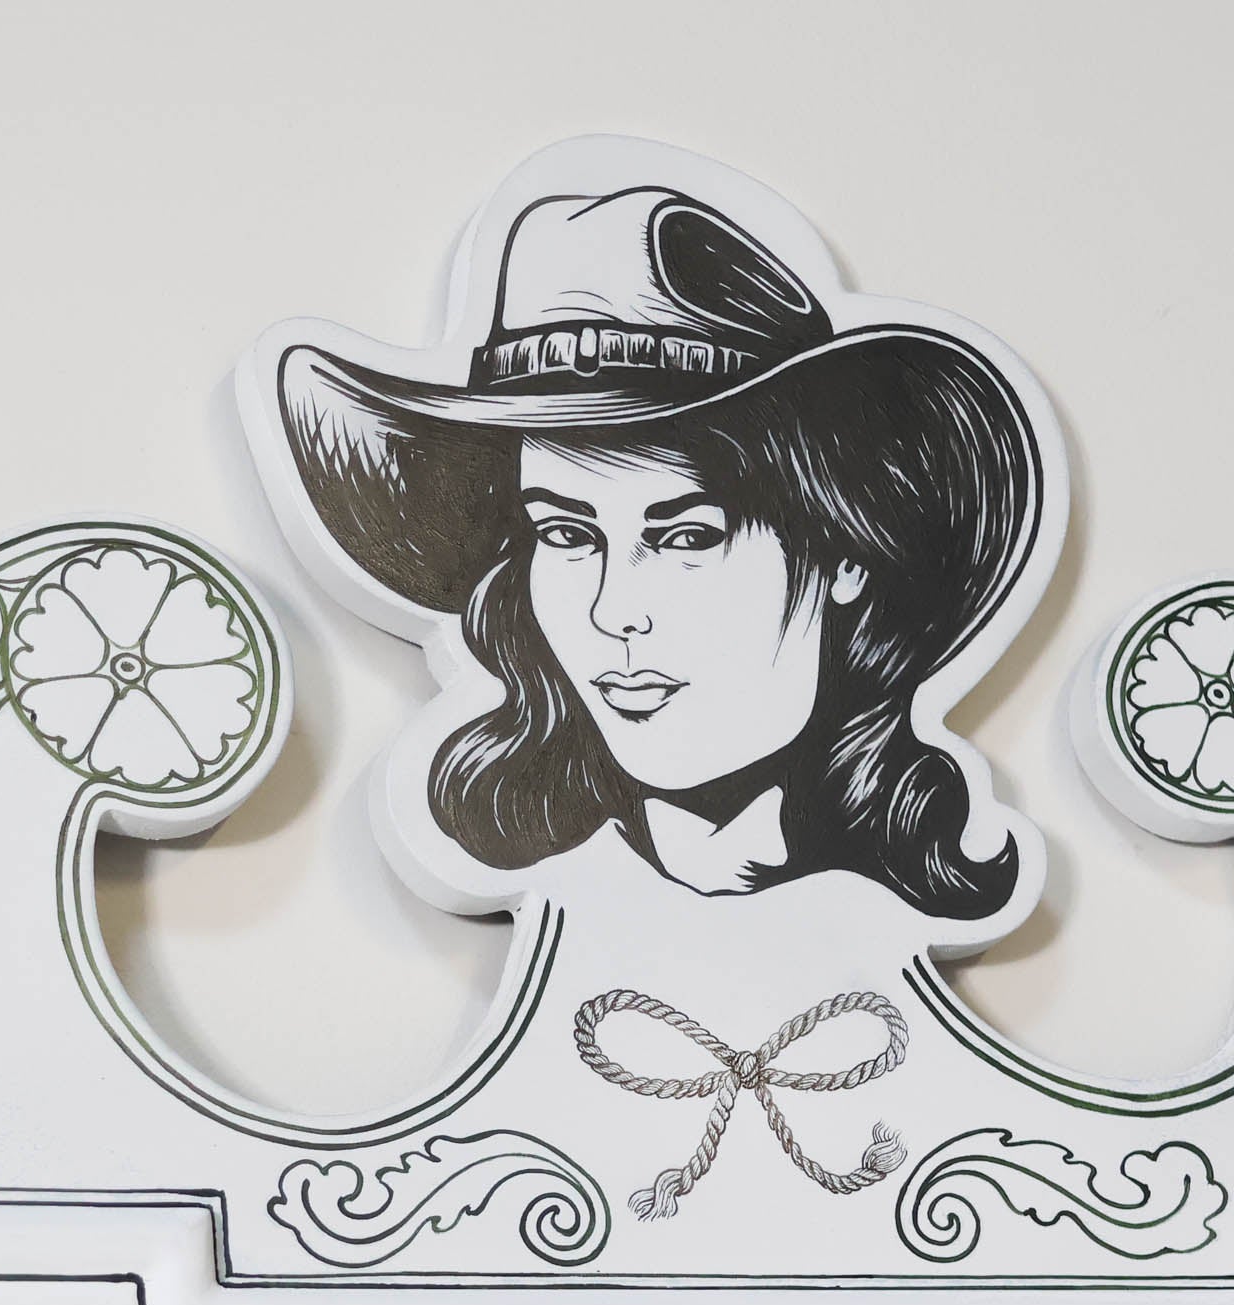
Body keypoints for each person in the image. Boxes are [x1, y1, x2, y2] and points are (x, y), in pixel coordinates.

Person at [271, 187, 1043, 915]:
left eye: (686, 537)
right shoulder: (530, 859)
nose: (615, 613)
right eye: (566, 534)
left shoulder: (910, 880)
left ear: (845, 554)